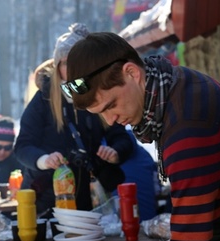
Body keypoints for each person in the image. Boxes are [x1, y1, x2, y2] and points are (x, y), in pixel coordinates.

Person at [65, 31, 220, 241]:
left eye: (111, 104)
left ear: (132, 72)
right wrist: (181, 239)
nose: (112, 121)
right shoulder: (172, 88)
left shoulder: (186, 123)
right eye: (102, 113)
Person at [15, 23, 133, 218]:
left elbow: (122, 137)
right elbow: (22, 147)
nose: (71, 69)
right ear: (57, 66)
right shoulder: (44, 98)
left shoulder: (97, 94)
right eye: (65, 62)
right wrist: (44, 160)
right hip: (47, 200)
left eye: (77, 62)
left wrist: (115, 152)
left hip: (90, 200)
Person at [112, 129, 160, 221]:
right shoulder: (146, 156)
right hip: (149, 221)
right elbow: (157, 190)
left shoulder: (110, 159)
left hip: (120, 224)